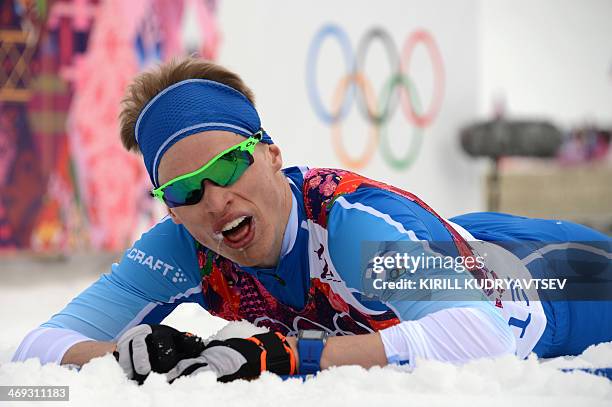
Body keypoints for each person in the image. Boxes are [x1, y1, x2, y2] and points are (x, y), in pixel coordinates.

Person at [12, 57, 612, 383]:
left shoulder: (348, 224)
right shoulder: (180, 245)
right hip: (443, 256)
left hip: (555, 283)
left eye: (229, 166)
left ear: (272, 154)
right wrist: (126, 353)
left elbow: (484, 336)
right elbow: (36, 348)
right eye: (185, 190)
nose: (214, 200)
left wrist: (291, 355)